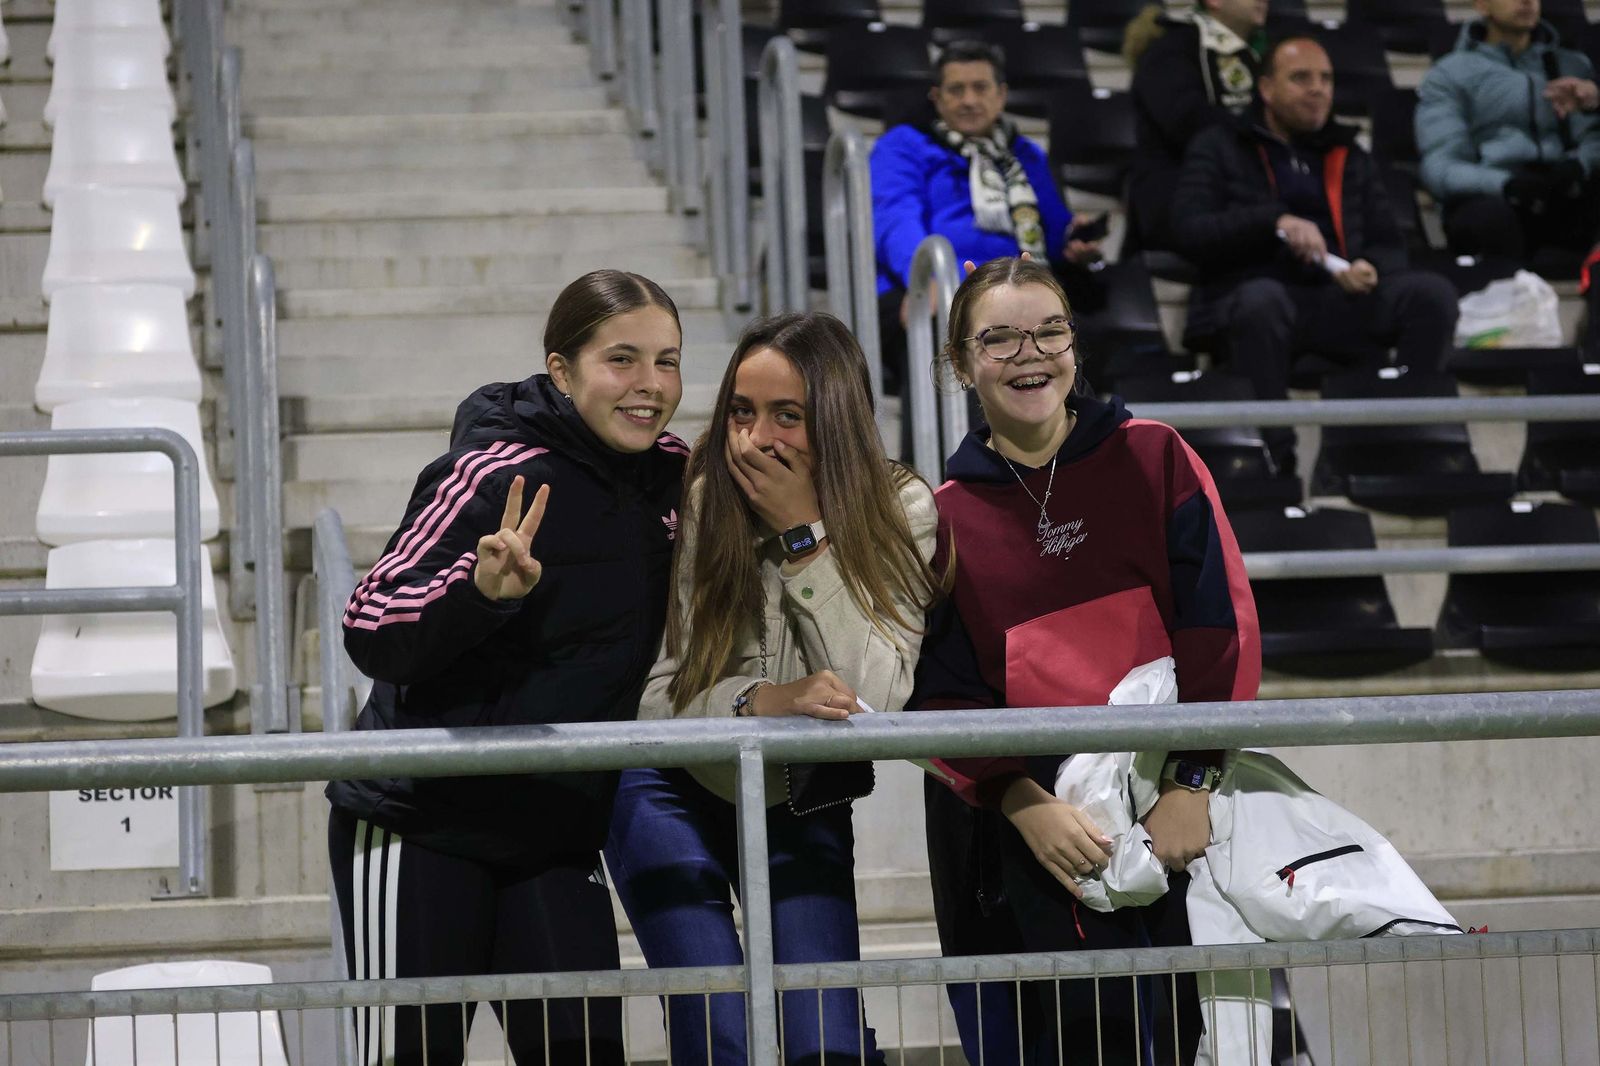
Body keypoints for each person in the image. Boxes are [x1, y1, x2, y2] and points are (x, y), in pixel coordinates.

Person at [326, 270, 689, 1066]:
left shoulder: (675, 479)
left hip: (556, 831)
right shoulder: (494, 473)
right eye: (621, 360)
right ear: (561, 371)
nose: (649, 385)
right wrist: (477, 593)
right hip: (418, 823)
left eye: (667, 361)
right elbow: (369, 622)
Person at [909, 257, 1260, 1066]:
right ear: (962, 363)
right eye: (998, 338)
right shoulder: (943, 518)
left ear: (1075, 343)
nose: (1029, 353)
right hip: (1041, 838)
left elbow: (1222, 626)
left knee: (1201, 1039)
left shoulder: (1156, 455)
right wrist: (1021, 800)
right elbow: (937, 690)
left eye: (1050, 330)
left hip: (1180, 816)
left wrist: (1191, 782)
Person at [605, 311, 941, 1066]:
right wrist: (761, 702)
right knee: (720, 1030)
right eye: (742, 412)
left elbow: (875, 700)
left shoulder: (903, 507)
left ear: (834, 420)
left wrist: (804, 540)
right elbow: (662, 696)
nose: (756, 440)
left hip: (797, 789)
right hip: (668, 783)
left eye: (787, 416)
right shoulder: (706, 496)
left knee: (826, 1042)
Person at [1172, 34, 1460, 473]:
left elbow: (1389, 242)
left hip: (1341, 298)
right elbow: (1190, 231)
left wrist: (1371, 267)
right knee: (1261, 301)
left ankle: (1399, 438)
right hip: (1257, 296)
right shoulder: (1220, 145)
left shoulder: (1349, 153)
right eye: (1301, 78)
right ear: (1266, 89)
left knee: (1431, 294)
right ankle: (1276, 454)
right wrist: (1274, 221)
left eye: (1325, 78)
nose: (1318, 89)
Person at [870, 39, 1101, 392]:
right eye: (956, 90)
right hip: (937, 290)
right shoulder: (903, 146)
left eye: (980, 88)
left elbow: (1049, 233)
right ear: (937, 97)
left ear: (1001, 95)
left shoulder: (1025, 155)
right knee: (948, 331)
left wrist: (1073, 242)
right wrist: (926, 278)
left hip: (1018, 291)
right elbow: (895, 221)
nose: (969, 100)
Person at [1416, 0, 1600, 355]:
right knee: (1486, 220)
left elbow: (1593, 138)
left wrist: (1580, 164)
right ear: (1482, 4)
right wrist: (1504, 184)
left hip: (1565, 190)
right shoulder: (1450, 73)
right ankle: (1508, 349)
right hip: (1498, 195)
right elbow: (1441, 166)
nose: (1527, 1)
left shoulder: (1572, 66)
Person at [1125, 0, 1270, 252]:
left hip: (1247, 199)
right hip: (1183, 202)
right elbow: (1186, 122)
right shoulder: (1169, 51)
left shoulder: (1267, 51)